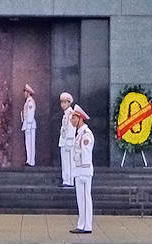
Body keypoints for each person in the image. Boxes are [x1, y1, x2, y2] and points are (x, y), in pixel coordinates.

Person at [67, 107, 94, 235]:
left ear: (80, 119)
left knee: (85, 199)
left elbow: (86, 154)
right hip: (79, 171)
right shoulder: (80, 134)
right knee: (81, 200)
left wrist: (84, 172)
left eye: (73, 117)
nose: (71, 120)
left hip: (83, 172)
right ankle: (82, 224)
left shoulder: (86, 135)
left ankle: (86, 225)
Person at [57, 93, 76, 187]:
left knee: (69, 162)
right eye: (62, 102)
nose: (63, 104)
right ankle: (66, 180)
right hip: (63, 142)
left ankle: (70, 180)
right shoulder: (65, 115)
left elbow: (71, 129)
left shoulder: (71, 114)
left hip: (68, 142)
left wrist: (69, 142)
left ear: (69, 103)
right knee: (65, 163)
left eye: (65, 102)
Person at [21, 84, 37, 167]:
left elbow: (30, 115)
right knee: (28, 143)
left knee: (30, 144)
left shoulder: (30, 102)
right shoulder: (28, 102)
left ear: (28, 93)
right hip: (27, 125)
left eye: (25, 92)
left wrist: (28, 126)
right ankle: (29, 160)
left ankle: (31, 161)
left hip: (30, 126)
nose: (24, 94)